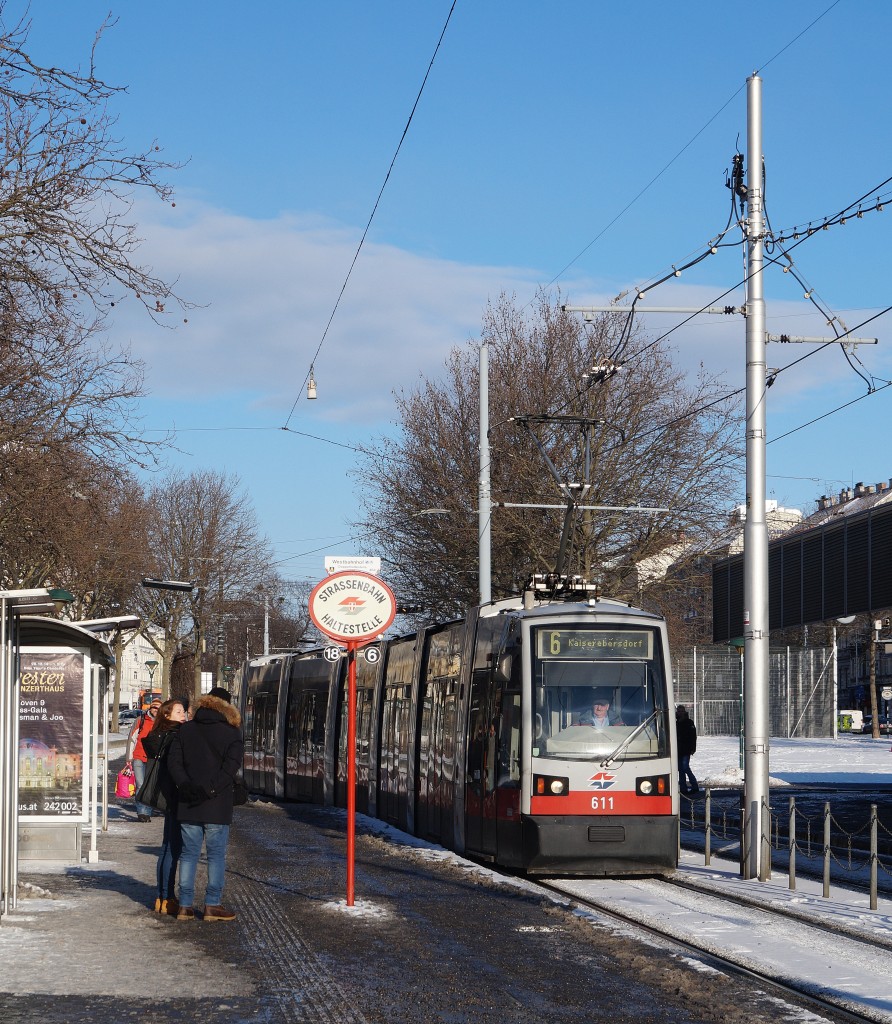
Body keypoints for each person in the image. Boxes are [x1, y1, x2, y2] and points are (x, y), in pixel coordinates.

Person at [167, 689, 243, 922]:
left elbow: (174, 763)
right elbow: (230, 770)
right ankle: (212, 905)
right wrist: (210, 790)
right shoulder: (232, 733)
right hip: (216, 804)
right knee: (216, 855)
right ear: (226, 708)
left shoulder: (185, 730)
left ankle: (185, 905)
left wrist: (186, 785)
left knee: (189, 854)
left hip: (188, 802)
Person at [142, 698, 188, 915]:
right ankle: (167, 897)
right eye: (179, 711)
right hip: (176, 795)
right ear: (167, 715)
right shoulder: (176, 736)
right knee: (173, 848)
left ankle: (162, 896)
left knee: (167, 847)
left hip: (165, 794)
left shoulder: (158, 734)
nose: (184, 715)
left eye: (184, 711)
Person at [128, 698, 162, 821]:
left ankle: (148, 811)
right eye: (154, 707)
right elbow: (132, 739)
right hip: (138, 757)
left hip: (154, 760)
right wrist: (129, 757)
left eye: (158, 708)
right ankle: (142, 812)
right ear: (150, 708)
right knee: (140, 784)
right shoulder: (140, 721)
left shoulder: (162, 723)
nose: (156, 710)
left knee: (150, 786)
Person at [676, 704, 699, 794]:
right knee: (680, 769)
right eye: (679, 711)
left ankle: (694, 785)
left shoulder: (689, 722)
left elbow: (693, 737)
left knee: (685, 768)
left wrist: (693, 748)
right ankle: (683, 788)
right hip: (678, 749)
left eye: (681, 711)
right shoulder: (676, 722)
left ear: (684, 712)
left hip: (686, 749)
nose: (680, 713)